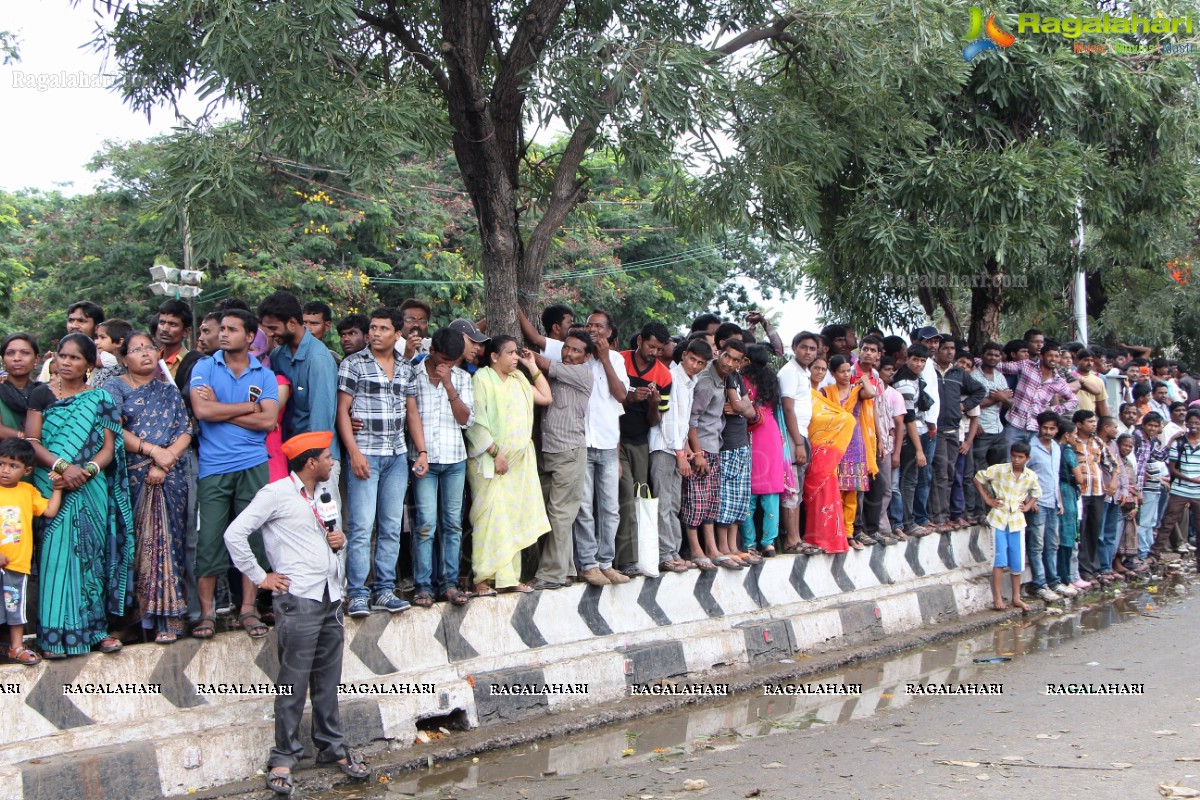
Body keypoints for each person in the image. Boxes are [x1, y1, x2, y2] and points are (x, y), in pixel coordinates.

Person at [222, 431, 369, 796]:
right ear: (309, 463)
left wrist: (341, 541)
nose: (332, 462)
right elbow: (234, 535)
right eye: (327, 457)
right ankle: (283, 757)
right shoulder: (275, 494)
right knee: (293, 682)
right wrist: (262, 578)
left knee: (328, 680)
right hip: (298, 598)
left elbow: (329, 537)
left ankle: (331, 748)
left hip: (331, 596)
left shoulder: (323, 493)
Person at [25, 333, 134, 658]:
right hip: (53, 485)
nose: (66, 363)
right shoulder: (41, 394)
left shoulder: (100, 398)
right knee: (57, 559)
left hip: (90, 486)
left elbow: (108, 448)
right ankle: (56, 637)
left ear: (89, 364)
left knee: (92, 557)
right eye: (62, 356)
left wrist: (85, 471)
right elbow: (32, 441)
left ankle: (96, 631)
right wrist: (62, 467)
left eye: (74, 358)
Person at [189, 310, 280, 640]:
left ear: (249, 335)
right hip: (213, 467)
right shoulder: (204, 367)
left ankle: (248, 609)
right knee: (209, 541)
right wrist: (248, 407)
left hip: (254, 465)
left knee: (253, 540)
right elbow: (202, 411)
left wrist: (223, 411)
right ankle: (207, 613)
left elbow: (268, 422)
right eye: (222, 329)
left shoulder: (264, 374)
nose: (223, 334)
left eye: (232, 329)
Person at [104, 333, 195, 643]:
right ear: (124, 357)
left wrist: (164, 461)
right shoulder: (113, 388)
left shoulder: (168, 391)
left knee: (171, 542)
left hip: (170, 478)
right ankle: (134, 618)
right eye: (136, 349)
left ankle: (170, 616)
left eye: (149, 348)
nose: (144, 353)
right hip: (132, 477)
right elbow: (113, 429)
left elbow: (185, 430)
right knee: (134, 545)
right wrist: (152, 451)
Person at [336, 307, 419, 616]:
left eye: (383, 329)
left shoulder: (406, 368)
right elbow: (342, 411)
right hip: (365, 453)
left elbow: (412, 414)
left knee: (390, 526)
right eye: (372, 328)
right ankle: (357, 592)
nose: (375, 333)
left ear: (397, 334)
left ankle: (384, 589)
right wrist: (354, 453)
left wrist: (420, 452)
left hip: (396, 455)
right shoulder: (353, 365)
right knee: (360, 526)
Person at [465, 336, 551, 594]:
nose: (515, 357)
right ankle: (482, 578)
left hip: (518, 466)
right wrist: (494, 452)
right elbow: (476, 421)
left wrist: (532, 366)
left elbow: (546, 397)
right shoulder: (481, 379)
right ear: (494, 356)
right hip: (490, 463)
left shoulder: (520, 380)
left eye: (517, 353)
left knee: (511, 520)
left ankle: (508, 579)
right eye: (511, 353)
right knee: (489, 519)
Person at [408, 327, 474, 606]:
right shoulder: (413, 374)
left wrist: (449, 385)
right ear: (432, 350)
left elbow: (466, 420)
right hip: (424, 460)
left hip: (454, 459)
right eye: (444, 358)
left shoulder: (462, 378)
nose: (448, 364)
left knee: (452, 524)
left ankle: (449, 582)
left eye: (454, 359)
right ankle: (423, 584)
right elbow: (408, 416)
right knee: (424, 524)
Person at [532, 329, 595, 587]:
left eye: (576, 350)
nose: (568, 353)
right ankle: (566, 569)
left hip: (569, 452)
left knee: (559, 515)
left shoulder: (581, 373)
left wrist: (527, 357)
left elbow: (543, 363)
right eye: (566, 348)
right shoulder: (558, 371)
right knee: (554, 515)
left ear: (586, 356)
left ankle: (550, 575)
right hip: (549, 452)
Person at [571, 311, 631, 585]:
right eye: (589, 325)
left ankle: (606, 562)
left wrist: (605, 358)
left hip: (607, 444)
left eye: (598, 326)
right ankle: (587, 563)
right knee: (583, 507)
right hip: (581, 443)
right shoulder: (577, 356)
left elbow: (620, 396)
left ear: (609, 332)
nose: (592, 329)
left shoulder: (616, 359)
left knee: (610, 508)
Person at [260, 291, 341, 483]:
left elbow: (321, 420)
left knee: (321, 513)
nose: (270, 334)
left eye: (273, 328)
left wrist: (314, 462)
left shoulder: (318, 359)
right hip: (290, 454)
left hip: (317, 459)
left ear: (292, 323)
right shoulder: (278, 355)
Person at [616, 322, 673, 576]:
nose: (654, 352)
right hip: (613, 438)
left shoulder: (663, 376)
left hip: (640, 441)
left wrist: (651, 403)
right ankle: (625, 560)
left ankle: (636, 556)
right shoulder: (619, 360)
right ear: (639, 340)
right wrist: (630, 397)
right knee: (625, 496)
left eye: (659, 349)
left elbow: (655, 420)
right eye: (651, 346)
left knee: (637, 499)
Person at [0, 438, 63, 665]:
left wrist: (57, 489)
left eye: (13, 466)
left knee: (15, 610)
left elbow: (49, 511)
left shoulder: (28, 491)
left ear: (27, 470)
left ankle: (16, 648)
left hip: (17, 565)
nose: (5, 470)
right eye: (1, 464)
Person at [649, 338, 709, 573]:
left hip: (675, 448)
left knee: (674, 503)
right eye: (692, 359)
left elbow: (683, 423)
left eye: (701, 363)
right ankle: (665, 554)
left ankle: (673, 550)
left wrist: (688, 450)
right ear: (684, 355)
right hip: (664, 448)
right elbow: (669, 420)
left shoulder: (690, 382)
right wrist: (680, 454)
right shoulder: (672, 378)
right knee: (664, 503)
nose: (695, 365)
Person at [974, 441, 1040, 611]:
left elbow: (1037, 493)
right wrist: (988, 499)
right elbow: (978, 478)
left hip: (1017, 521)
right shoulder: (999, 469)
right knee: (999, 560)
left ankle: (1016, 597)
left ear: (1027, 458)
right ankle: (997, 598)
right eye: (1014, 456)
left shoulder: (1030, 476)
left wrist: (1027, 505)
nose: (1016, 460)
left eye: (1020, 457)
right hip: (999, 518)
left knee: (1017, 561)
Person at [740, 344, 792, 557]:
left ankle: (749, 543)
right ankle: (769, 543)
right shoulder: (772, 380)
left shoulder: (742, 380)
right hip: (771, 432)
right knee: (770, 492)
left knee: (748, 492)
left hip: (750, 430)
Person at [822, 354, 877, 548]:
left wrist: (862, 378)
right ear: (833, 373)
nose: (846, 375)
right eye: (842, 371)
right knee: (835, 491)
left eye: (848, 371)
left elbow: (872, 393)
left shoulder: (857, 391)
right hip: (835, 444)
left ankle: (849, 533)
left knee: (852, 492)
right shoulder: (826, 392)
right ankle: (834, 532)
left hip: (854, 444)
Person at [929, 338, 985, 531]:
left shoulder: (958, 373)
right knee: (939, 474)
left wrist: (964, 406)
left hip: (954, 429)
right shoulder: (929, 370)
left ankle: (948, 515)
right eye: (945, 348)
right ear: (937, 350)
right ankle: (939, 517)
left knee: (951, 474)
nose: (950, 352)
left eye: (952, 349)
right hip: (934, 429)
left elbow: (980, 390)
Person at [712, 339, 758, 565]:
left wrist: (743, 407)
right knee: (726, 498)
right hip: (727, 444)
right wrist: (742, 406)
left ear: (742, 361)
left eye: (736, 360)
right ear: (720, 353)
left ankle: (733, 545)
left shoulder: (737, 377)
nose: (730, 363)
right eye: (727, 357)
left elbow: (749, 410)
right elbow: (742, 407)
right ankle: (723, 546)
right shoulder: (728, 377)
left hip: (742, 443)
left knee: (740, 499)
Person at [803, 357, 856, 554]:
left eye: (823, 369)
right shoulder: (804, 394)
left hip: (827, 455)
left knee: (828, 495)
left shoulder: (821, 396)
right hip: (810, 450)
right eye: (816, 368)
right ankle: (812, 538)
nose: (819, 372)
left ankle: (828, 540)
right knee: (811, 497)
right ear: (808, 369)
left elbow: (845, 419)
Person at [777, 332, 816, 553]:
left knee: (797, 489)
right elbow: (788, 408)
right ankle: (791, 540)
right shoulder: (789, 372)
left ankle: (797, 537)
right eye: (804, 347)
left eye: (812, 348)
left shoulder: (804, 372)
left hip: (802, 434)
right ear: (794, 347)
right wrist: (799, 443)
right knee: (792, 489)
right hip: (794, 436)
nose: (808, 352)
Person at [1149, 408, 1200, 570]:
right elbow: (1173, 469)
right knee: (1168, 522)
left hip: (1197, 491)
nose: (1193, 426)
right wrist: (1190, 479)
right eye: (1190, 423)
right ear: (1186, 424)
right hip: (1180, 489)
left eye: (1197, 423)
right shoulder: (1179, 442)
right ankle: (1154, 555)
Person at [1024, 411, 1068, 602]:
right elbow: (1022, 473)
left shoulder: (1057, 448)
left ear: (1057, 430)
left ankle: (1054, 581)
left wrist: (1059, 501)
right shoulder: (1030, 447)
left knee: (1052, 544)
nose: (1048, 432)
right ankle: (1039, 584)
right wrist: (1028, 499)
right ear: (1039, 427)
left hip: (1052, 502)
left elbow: (1054, 476)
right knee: (1037, 545)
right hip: (1038, 503)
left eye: (1052, 428)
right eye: (1045, 428)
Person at [968, 342, 1012, 523]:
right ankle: (980, 511)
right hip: (981, 429)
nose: (993, 358)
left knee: (999, 472)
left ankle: (998, 509)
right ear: (983, 355)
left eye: (996, 355)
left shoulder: (1000, 377)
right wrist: (996, 398)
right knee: (979, 473)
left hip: (998, 429)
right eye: (990, 354)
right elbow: (972, 403)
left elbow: (1007, 400)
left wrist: (997, 398)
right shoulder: (973, 376)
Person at [894, 345, 933, 538]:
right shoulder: (904, 383)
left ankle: (913, 519)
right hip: (911, 436)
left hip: (920, 432)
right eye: (915, 359)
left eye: (922, 361)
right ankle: (907, 522)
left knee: (915, 479)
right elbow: (908, 418)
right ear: (907, 358)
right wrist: (919, 449)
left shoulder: (916, 379)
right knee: (908, 480)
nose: (919, 364)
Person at [0, 334, 55, 440]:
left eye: (25, 353)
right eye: (10, 353)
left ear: (36, 359)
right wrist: (30, 439)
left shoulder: (46, 392)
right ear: (3, 360)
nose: (16, 358)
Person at [38, 300, 105, 382]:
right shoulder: (52, 363)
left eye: (82, 321)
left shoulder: (110, 361)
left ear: (97, 327)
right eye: (71, 320)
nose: (74, 326)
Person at [89, 318, 133, 388]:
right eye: (97, 338)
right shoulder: (98, 365)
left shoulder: (130, 369)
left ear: (119, 342)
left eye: (102, 338)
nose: (96, 342)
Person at [155, 299, 193, 379]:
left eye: (173, 324)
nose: (165, 329)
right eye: (162, 322)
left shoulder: (192, 364)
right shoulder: (152, 359)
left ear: (186, 331)